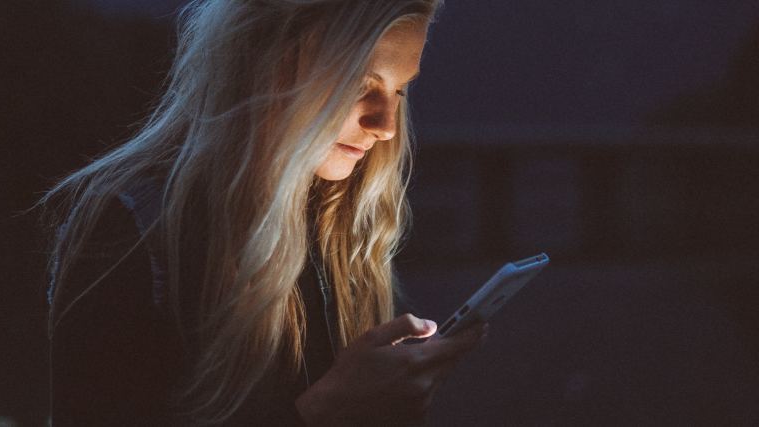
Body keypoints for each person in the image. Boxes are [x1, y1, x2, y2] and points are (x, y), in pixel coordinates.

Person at [42, 0, 486, 424]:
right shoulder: (131, 229)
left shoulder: (335, 224)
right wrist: (327, 410)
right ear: (266, 60)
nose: (386, 126)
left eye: (400, 90)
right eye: (358, 84)